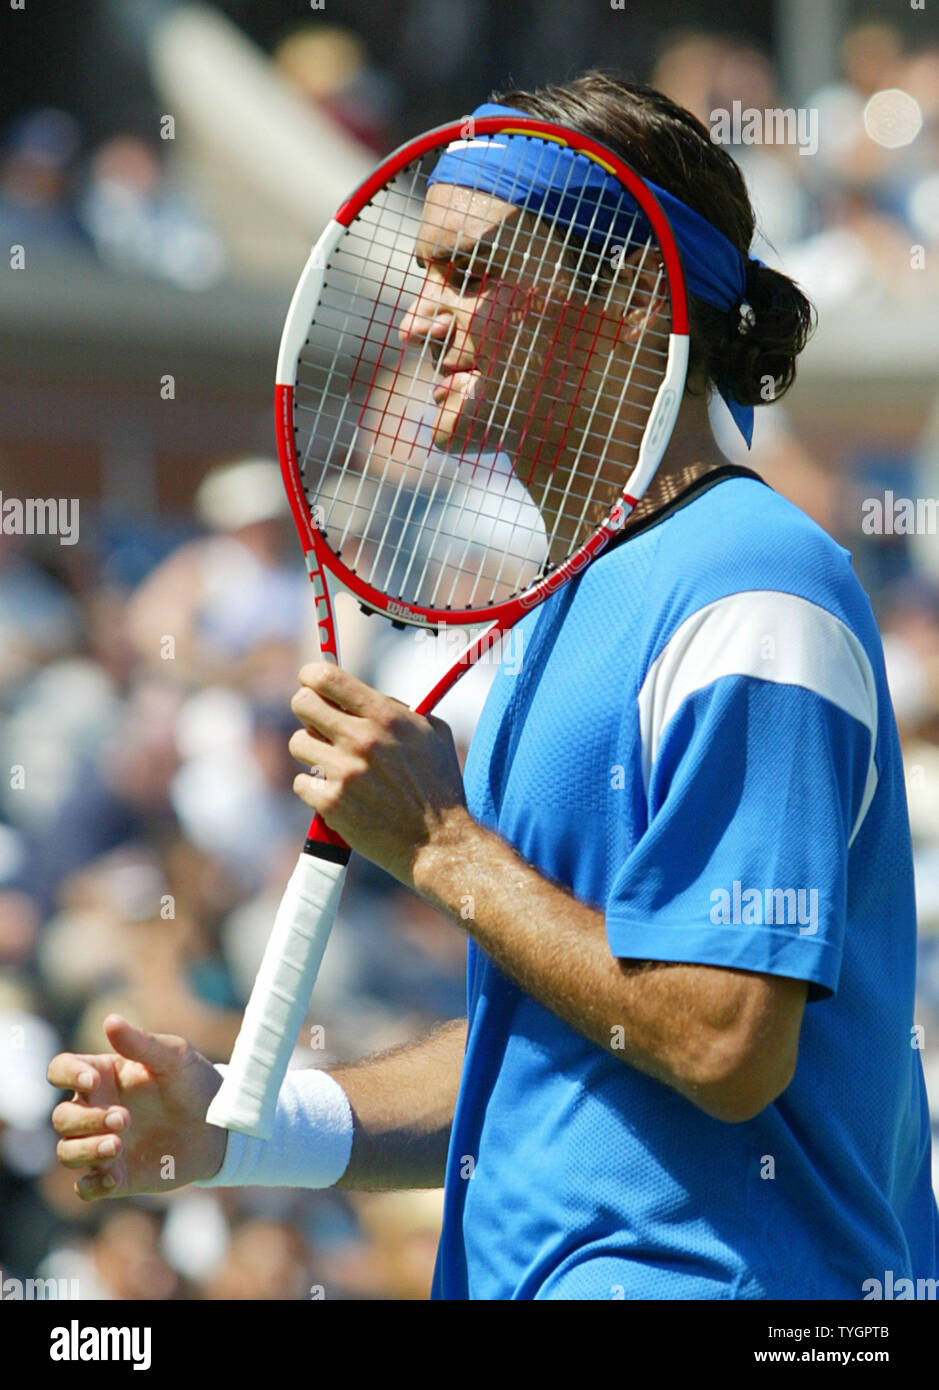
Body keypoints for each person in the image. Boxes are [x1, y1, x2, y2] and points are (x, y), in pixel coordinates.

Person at [49, 73, 938, 1301]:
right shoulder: (570, 606)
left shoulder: (755, 584)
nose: (421, 321)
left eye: (471, 272)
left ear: (629, 296)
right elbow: (566, 1044)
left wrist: (442, 845)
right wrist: (240, 1127)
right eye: (426, 275)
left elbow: (722, 1038)